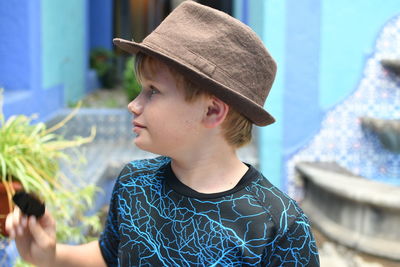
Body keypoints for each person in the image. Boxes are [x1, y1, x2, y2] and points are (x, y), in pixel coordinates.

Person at [6, 1, 320, 266]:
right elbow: (110, 256)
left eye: (152, 91)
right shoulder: (134, 184)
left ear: (212, 111)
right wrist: (48, 255)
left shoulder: (279, 226)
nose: (133, 104)